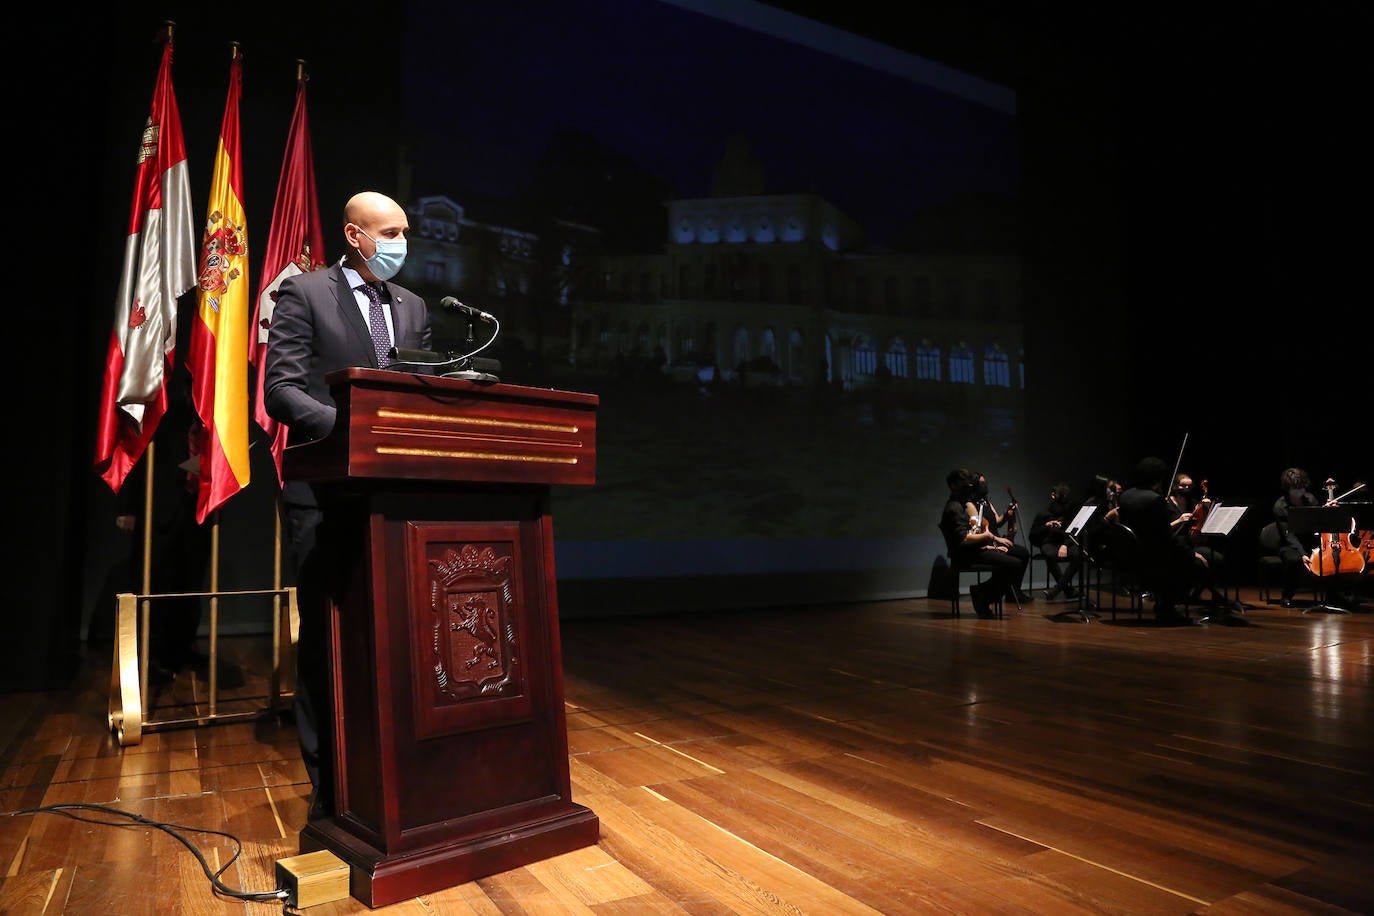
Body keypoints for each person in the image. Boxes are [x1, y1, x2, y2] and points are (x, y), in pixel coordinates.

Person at [263, 190, 432, 819]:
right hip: (323, 492)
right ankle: (328, 782)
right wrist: (351, 432)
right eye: (389, 232)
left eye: (406, 232)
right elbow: (281, 389)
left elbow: (421, 392)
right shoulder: (305, 293)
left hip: (396, 496)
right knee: (326, 637)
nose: (401, 244)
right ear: (354, 236)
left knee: (395, 631)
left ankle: (392, 769)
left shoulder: (413, 307)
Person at [1113, 456, 1202, 625]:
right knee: (1191, 562)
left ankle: (1164, 604)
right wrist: (1191, 553)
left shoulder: (1125, 496)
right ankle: (1167, 607)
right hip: (1150, 557)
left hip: (1127, 554)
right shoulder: (1155, 499)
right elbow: (1163, 535)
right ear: (1159, 478)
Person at [939, 468, 1027, 618]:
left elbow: (972, 533)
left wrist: (987, 541)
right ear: (953, 486)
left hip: (973, 550)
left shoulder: (960, 505)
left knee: (1016, 560)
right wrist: (989, 538)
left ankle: (982, 593)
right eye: (964, 484)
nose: (968, 488)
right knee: (1013, 564)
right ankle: (983, 595)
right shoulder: (955, 507)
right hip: (965, 555)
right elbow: (964, 539)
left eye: (969, 485)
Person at [1272, 467, 1320, 607]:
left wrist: (1327, 511)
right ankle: (1287, 595)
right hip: (1289, 544)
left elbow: (1319, 524)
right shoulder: (1280, 506)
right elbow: (1289, 535)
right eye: (1296, 488)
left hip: (1310, 541)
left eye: (1302, 488)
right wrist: (1302, 554)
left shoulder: (1310, 499)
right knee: (1293, 559)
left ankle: (1334, 594)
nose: (1301, 492)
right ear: (1288, 489)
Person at [1028, 482, 1082, 600]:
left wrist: (1064, 545)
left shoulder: (1069, 513)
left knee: (1079, 555)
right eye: (1061, 496)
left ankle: (1057, 589)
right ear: (1053, 496)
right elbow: (1032, 536)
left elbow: (1073, 532)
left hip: (1066, 542)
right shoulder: (1043, 514)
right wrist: (1046, 526)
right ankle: (1067, 590)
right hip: (1049, 543)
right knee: (1050, 555)